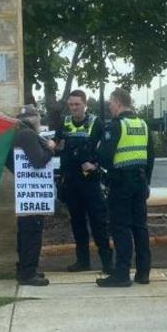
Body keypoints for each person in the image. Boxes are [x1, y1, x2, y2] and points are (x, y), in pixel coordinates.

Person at [92, 89, 153, 288]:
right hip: (140, 181)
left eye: (111, 103)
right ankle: (143, 273)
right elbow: (150, 156)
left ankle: (122, 274)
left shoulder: (116, 126)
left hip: (120, 183)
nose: (109, 106)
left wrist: (100, 167)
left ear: (118, 103)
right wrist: (147, 182)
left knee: (121, 228)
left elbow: (104, 155)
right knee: (140, 227)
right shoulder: (143, 124)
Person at [53, 90, 113, 274]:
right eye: (71, 104)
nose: (73, 108)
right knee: (77, 222)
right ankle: (82, 261)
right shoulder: (64, 122)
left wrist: (95, 165)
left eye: (77, 104)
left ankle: (107, 263)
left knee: (98, 222)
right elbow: (55, 143)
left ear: (85, 104)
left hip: (90, 181)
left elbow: (105, 149)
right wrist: (53, 145)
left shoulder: (96, 123)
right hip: (70, 181)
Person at [7, 104, 56, 286]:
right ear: (33, 118)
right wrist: (50, 148)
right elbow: (38, 161)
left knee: (26, 231)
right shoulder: (27, 134)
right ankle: (28, 273)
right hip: (32, 195)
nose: (40, 121)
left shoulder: (18, 133)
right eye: (38, 118)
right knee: (32, 233)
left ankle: (26, 270)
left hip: (27, 191)